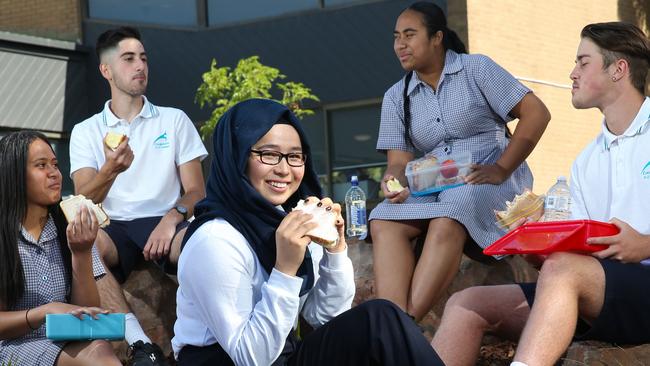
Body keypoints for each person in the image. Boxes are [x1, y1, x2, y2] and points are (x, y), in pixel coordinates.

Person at [432, 22, 650, 366]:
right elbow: (575, 251)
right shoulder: (586, 160)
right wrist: (535, 244)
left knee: (564, 269)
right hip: (599, 290)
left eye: (583, 62)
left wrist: (645, 244)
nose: (572, 73)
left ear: (618, 69)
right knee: (467, 303)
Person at [171, 98, 444, 366]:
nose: (284, 170)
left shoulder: (288, 220)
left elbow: (326, 315)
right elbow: (250, 357)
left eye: (294, 156)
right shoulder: (215, 240)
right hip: (233, 360)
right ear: (237, 157)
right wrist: (285, 270)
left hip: (281, 355)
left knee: (379, 319)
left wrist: (335, 251)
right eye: (268, 154)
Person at [369, 1, 551, 321]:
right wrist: (392, 181)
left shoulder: (476, 69)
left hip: (490, 173)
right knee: (384, 215)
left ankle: (404, 322)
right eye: (396, 36)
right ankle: (391, 318)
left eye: (410, 35)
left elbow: (536, 113)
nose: (400, 44)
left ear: (437, 37)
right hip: (435, 182)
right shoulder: (396, 96)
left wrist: (501, 168)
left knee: (454, 207)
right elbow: (397, 161)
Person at [69, 26, 208, 365]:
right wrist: (111, 170)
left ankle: (207, 338)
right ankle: (140, 344)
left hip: (165, 219)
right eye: (128, 59)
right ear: (106, 70)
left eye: (143, 58)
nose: (140, 66)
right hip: (113, 227)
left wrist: (172, 218)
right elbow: (83, 200)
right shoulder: (86, 130)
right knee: (83, 246)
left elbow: (196, 191)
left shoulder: (174, 120)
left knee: (200, 244)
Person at [0, 131, 121, 366]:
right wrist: (45, 311)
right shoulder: (5, 237)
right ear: (14, 175)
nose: (54, 173)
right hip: (12, 347)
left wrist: (82, 253)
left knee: (100, 348)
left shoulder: (70, 226)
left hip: (63, 342)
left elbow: (85, 310)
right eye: (41, 165)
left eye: (55, 164)